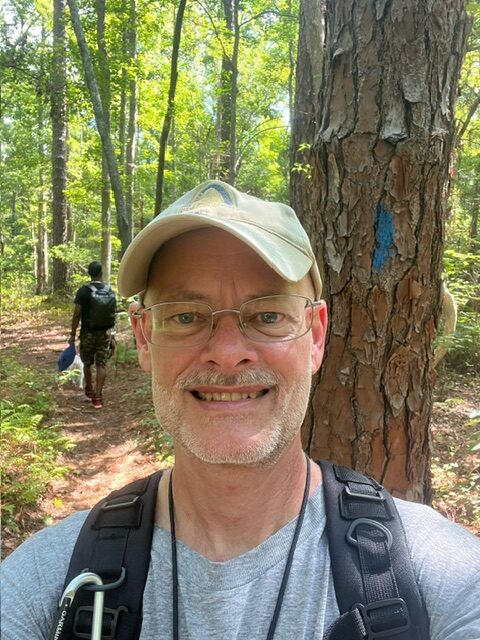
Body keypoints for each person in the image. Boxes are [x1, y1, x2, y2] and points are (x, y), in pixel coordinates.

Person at [1, 180, 479, 639]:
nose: (227, 353)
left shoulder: (439, 574)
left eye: (268, 315)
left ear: (315, 336)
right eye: (185, 316)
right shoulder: (49, 577)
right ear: (144, 337)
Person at [69, 260, 116, 409]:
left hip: (88, 334)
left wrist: (72, 333)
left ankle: (89, 389)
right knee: (102, 364)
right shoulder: (109, 290)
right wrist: (112, 335)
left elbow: (77, 314)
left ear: (89, 273)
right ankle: (98, 396)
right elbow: (112, 315)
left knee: (87, 363)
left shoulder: (83, 291)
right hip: (104, 334)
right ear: (101, 273)